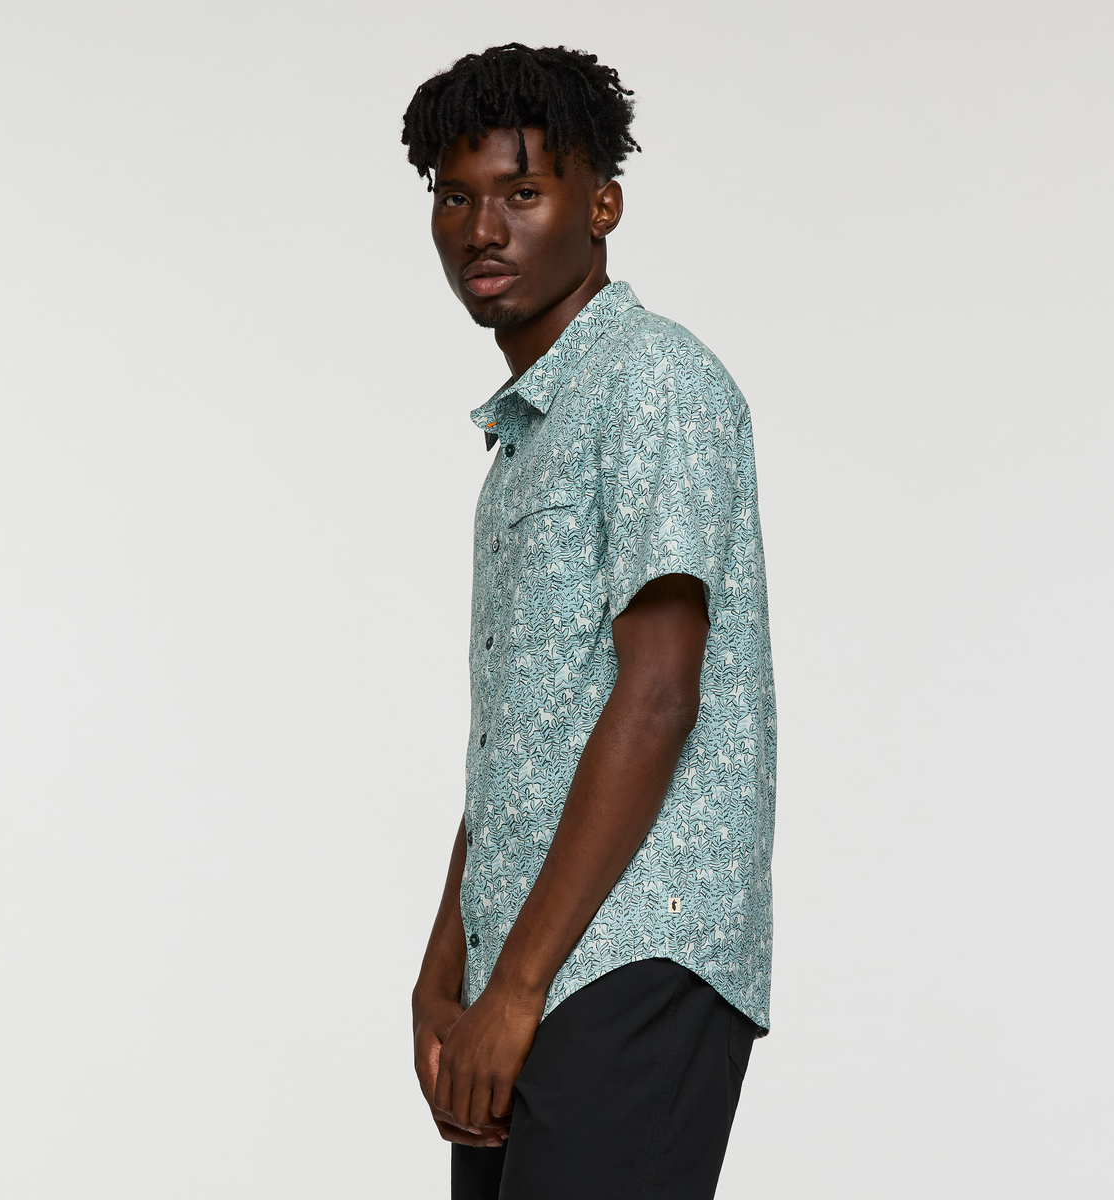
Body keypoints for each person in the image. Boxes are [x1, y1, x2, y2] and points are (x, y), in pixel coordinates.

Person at [403, 43, 777, 1200]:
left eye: (523, 191)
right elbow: (523, 741)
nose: (484, 229)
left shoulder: (654, 383)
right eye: (456, 197)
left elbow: (658, 694)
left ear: (601, 205)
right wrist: (445, 972)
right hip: (528, 960)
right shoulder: (527, 437)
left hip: (631, 953)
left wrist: (515, 987)